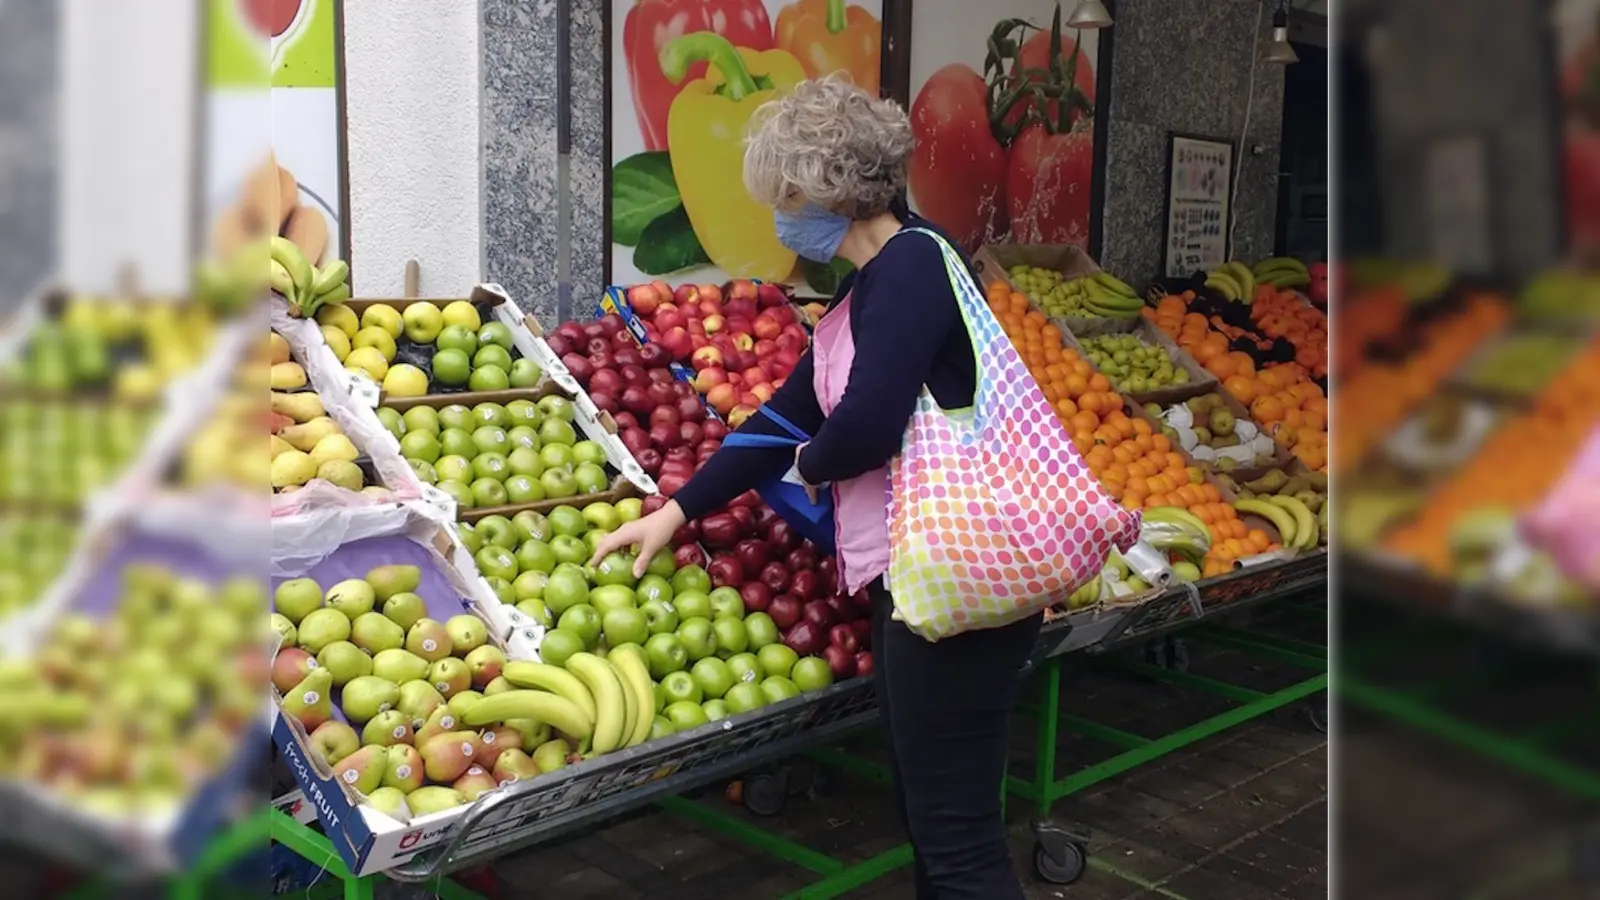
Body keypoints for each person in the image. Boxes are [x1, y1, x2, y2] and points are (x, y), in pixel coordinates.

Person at [589, 74, 1041, 899]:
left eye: (780, 196)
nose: (776, 217)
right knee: (931, 815)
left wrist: (808, 470)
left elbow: (862, 427)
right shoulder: (870, 281)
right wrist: (678, 511)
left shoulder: (910, 270)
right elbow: (785, 413)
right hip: (920, 580)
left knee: (957, 837)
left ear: (818, 189)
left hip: (959, 587)